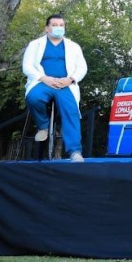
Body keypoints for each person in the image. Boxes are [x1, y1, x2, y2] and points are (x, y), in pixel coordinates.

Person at [21, 14, 88, 162]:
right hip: (42, 82)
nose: (58, 28)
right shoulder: (35, 44)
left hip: (65, 85)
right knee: (34, 98)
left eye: (61, 25)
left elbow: (82, 67)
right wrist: (44, 78)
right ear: (47, 28)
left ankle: (75, 151)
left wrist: (70, 79)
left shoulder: (73, 46)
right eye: (54, 25)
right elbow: (26, 66)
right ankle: (43, 126)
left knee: (71, 111)